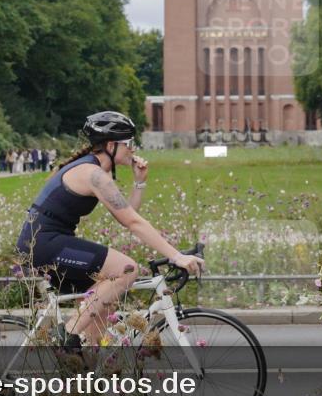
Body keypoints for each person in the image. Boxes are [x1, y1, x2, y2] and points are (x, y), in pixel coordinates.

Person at [16, 111, 205, 347]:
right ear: (111, 145)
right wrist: (176, 256)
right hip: (44, 243)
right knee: (126, 269)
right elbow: (132, 223)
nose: (133, 149)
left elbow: (128, 215)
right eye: (129, 143)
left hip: (47, 241)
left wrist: (140, 181)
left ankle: (85, 373)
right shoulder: (93, 174)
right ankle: (68, 332)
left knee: (105, 306)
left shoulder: (98, 172)